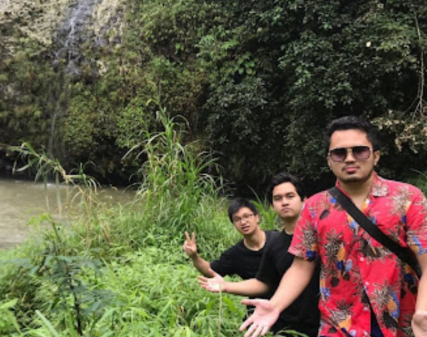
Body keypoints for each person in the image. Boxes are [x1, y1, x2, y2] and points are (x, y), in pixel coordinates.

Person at [240, 116, 427, 337]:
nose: (349, 159)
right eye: (340, 153)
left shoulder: (407, 198)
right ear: (329, 160)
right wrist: (276, 304)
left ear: (375, 156)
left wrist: (422, 312)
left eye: (360, 151)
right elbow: (301, 266)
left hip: (401, 324)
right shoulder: (314, 207)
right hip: (339, 325)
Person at [198, 172, 320, 337]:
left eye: (290, 196)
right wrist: (226, 286)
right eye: (277, 198)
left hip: (323, 324)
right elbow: (264, 282)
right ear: (271, 206)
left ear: (304, 200)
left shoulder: (323, 235)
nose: (284, 202)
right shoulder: (274, 244)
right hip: (284, 325)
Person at [183, 198, 278, 281]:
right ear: (234, 225)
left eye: (246, 216)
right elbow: (210, 271)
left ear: (257, 217)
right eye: (237, 219)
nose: (243, 222)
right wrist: (194, 256)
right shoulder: (235, 254)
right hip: (256, 300)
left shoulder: (277, 239)